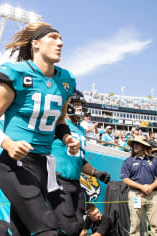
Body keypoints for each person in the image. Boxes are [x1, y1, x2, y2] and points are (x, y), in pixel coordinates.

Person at [0, 22, 79, 236]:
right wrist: (8, 143)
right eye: (53, 37)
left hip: (44, 166)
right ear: (36, 44)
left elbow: (60, 121)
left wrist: (67, 139)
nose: (60, 42)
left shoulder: (66, 80)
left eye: (61, 38)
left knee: (26, 231)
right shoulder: (15, 73)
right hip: (16, 165)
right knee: (49, 231)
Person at [48, 90, 110, 235]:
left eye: (80, 105)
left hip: (76, 182)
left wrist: (96, 173)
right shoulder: (60, 124)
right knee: (65, 226)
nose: (79, 108)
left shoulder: (81, 129)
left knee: (79, 224)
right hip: (59, 179)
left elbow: (79, 160)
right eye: (76, 104)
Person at [120, 136, 157, 236]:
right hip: (135, 195)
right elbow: (126, 180)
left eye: (138, 143)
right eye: (134, 143)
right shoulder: (128, 161)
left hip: (152, 194)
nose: (135, 145)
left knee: (155, 225)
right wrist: (142, 187)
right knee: (135, 225)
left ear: (144, 146)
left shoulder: (154, 160)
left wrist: (150, 188)